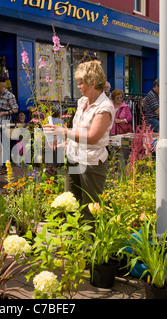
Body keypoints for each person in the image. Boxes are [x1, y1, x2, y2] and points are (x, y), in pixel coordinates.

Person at [44, 60, 114, 224]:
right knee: (70, 203)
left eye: (81, 83)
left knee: (90, 209)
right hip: (74, 158)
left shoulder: (104, 107)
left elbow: (92, 137)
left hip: (91, 163)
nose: (79, 86)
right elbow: (78, 129)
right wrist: (66, 143)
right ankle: (71, 244)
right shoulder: (82, 102)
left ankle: (90, 246)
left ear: (93, 83)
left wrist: (63, 131)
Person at [0, 79, 19, 175]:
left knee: (5, 145)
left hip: (6, 121)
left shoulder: (10, 96)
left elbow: (15, 109)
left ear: (2, 86)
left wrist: (5, 113)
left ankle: (5, 167)